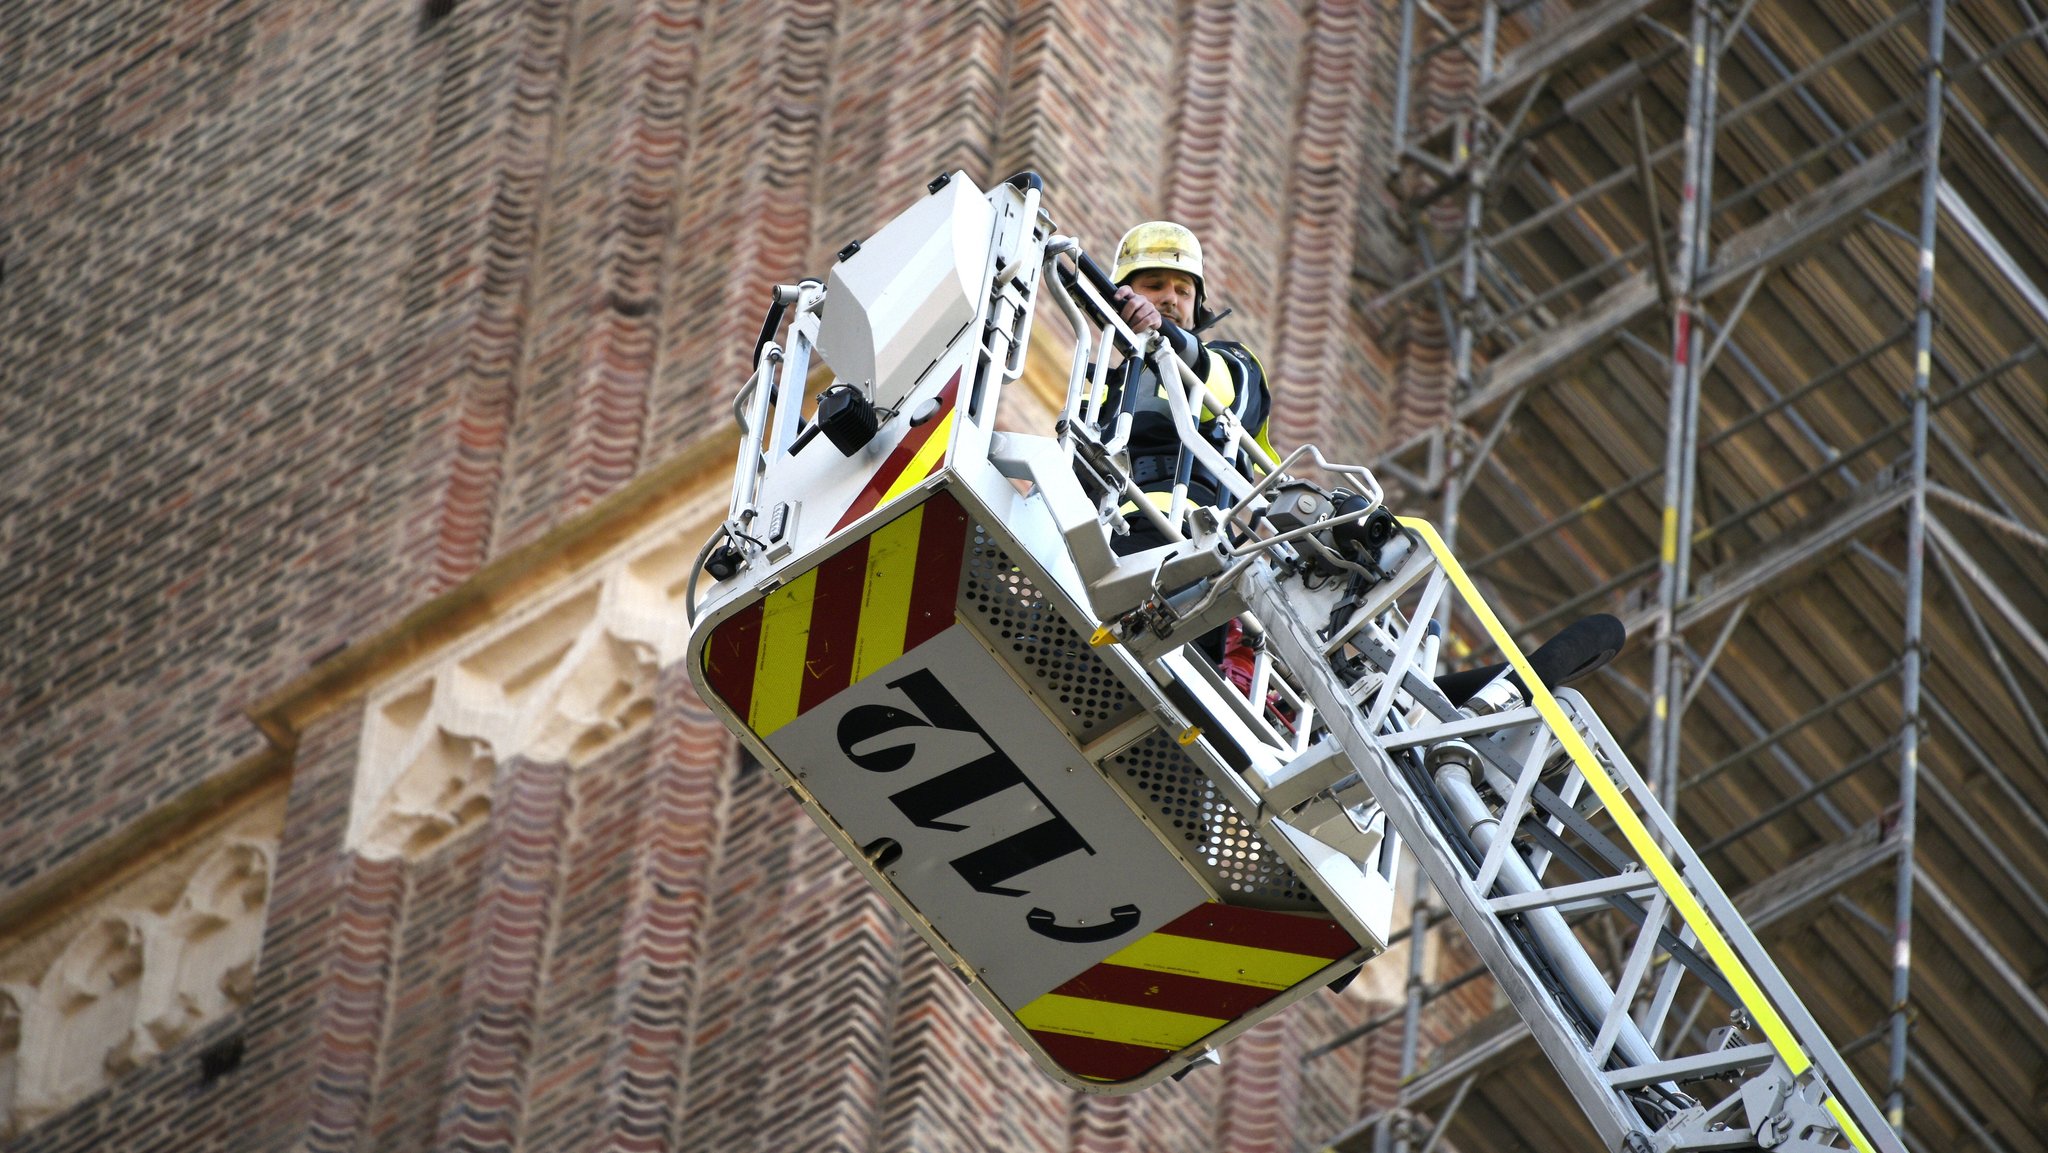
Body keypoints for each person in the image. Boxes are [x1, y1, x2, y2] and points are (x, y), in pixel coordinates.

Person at [1097, 220, 1277, 556]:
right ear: (1123, 296)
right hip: (1102, 525)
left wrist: (1167, 339)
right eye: (1154, 285)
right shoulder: (1099, 391)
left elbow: (1225, 396)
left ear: (1196, 312)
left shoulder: (1232, 361)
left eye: (1184, 291)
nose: (1169, 300)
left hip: (1183, 523)